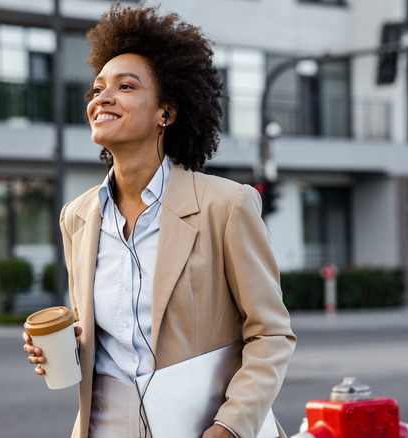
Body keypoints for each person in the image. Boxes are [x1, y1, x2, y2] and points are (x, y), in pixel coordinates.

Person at [23, 3, 296, 438]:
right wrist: (64, 350)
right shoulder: (77, 217)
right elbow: (105, 338)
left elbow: (271, 335)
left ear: (164, 113)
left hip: (203, 424)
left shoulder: (226, 205)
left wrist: (230, 425)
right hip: (104, 424)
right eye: (97, 89)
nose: (103, 98)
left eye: (125, 86)